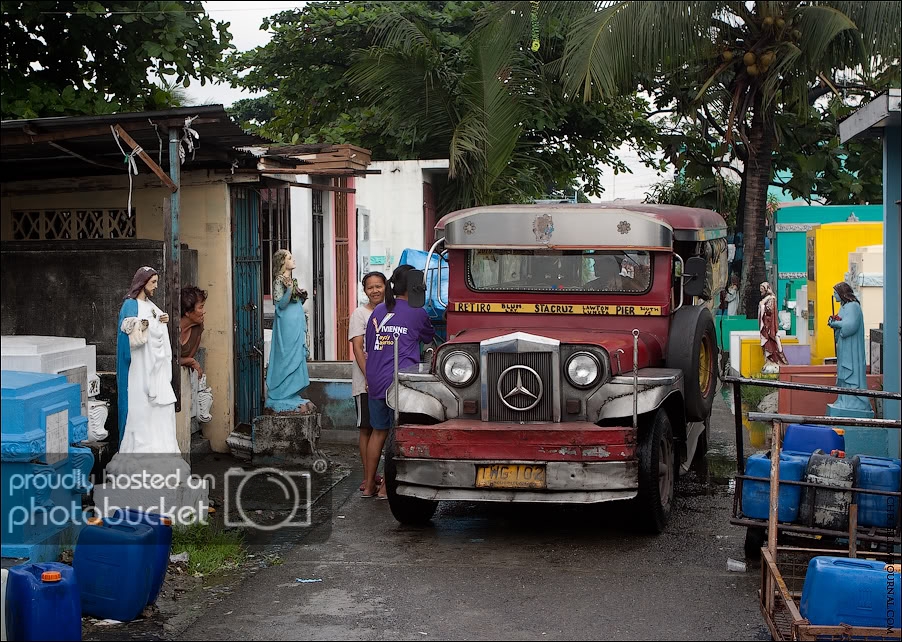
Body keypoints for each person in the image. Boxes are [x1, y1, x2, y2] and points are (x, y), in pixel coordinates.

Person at [362, 265, 435, 498]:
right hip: (399, 381)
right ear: (415, 286)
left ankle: (369, 485)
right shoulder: (418, 312)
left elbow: (370, 345)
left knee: (378, 432)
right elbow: (428, 337)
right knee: (396, 434)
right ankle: (386, 488)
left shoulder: (378, 311)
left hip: (374, 378)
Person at [112, 267, 185, 469]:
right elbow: (126, 329)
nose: (155, 286)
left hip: (155, 369)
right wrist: (140, 326)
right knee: (141, 410)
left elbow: (155, 326)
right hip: (139, 369)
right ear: (142, 283)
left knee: (160, 411)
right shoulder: (130, 305)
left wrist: (161, 321)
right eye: (153, 282)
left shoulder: (151, 305)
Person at [349, 271, 387, 493]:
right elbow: (357, 348)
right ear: (365, 291)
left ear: (386, 287)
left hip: (383, 380)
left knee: (383, 429)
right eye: (370, 287)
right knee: (367, 428)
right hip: (364, 381)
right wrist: (369, 377)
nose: (375, 291)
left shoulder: (390, 312)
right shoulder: (360, 314)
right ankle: (368, 478)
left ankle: (376, 475)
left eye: (379, 286)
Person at [265, 249, 315, 414]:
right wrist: (289, 290)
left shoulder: (290, 280)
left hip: (295, 322)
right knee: (286, 356)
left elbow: (294, 301)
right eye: (289, 258)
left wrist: (300, 295)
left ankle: (290, 392)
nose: (293, 260)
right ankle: (281, 392)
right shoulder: (279, 280)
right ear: (282, 262)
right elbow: (280, 304)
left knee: (296, 355)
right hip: (287, 324)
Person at [828, 282, 872, 414]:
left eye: (836, 293)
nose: (834, 295)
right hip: (844, 346)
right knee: (843, 373)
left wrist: (836, 323)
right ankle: (844, 400)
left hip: (852, 348)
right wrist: (834, 323)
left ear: (842, 294)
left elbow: (850, 325)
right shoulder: (844, 307)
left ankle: (855, 402)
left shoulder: (853, 306)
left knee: (851, 372)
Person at [758, 281, 788, 370]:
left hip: (769, 327)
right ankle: (769, 361)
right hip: (765, 325)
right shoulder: (767, 299)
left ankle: (774, 361)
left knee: (771, 344)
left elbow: (769, 311)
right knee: (767, 344)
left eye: (762, 290)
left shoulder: (771, 299)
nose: (761, 292)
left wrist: (762, 306)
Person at [179, 286, 207, 376]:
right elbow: (165, 359)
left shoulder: (198, 328)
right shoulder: (168, 327)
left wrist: (189, 360)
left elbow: (188, 359)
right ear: (187, 311)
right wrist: (191, 361)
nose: (204, 311)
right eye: (201, 307)